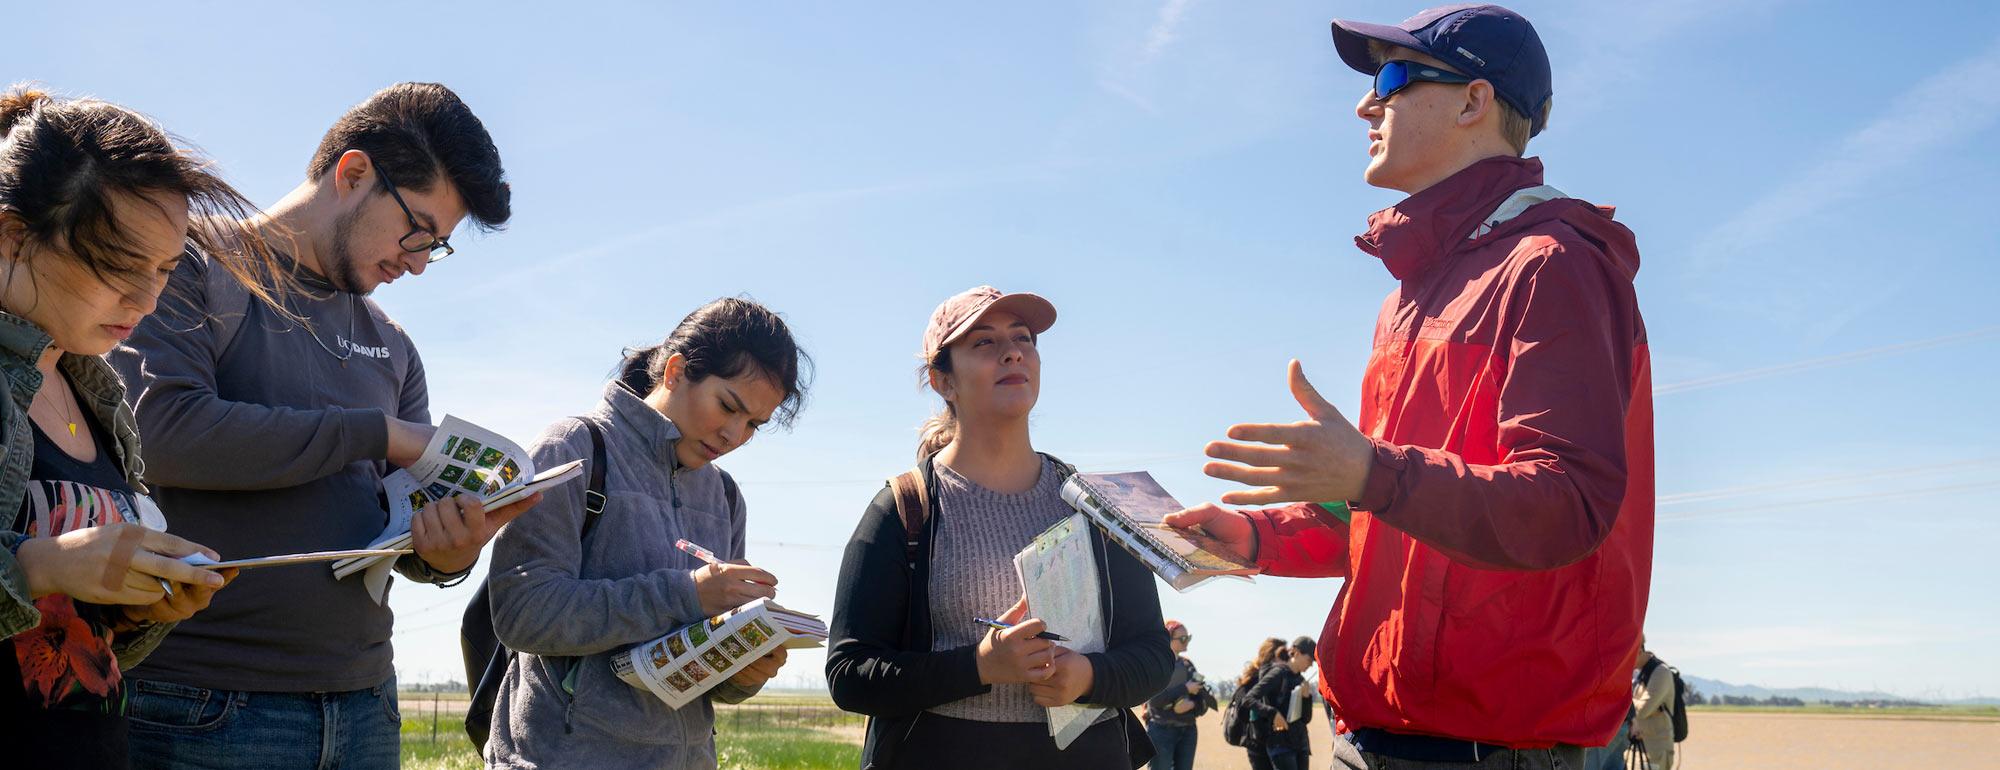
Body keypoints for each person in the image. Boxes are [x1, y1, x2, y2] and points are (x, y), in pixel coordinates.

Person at [1164, 5, 1652, 769]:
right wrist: (1260, 538)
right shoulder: (1410, 294)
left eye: (1392, 77)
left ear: (1472, 102)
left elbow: (1566, 503)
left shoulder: (1554, 263)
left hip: (1495, 750)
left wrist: (1367, 472)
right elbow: (1392, 506)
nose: (1366, 103)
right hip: (1376, 735)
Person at [109, 83, 535, 769]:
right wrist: (379, 433)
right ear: (354, 173)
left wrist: (447, 554)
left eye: (439, 247)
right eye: (419, 231)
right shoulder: (189, 267)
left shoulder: (393, 344)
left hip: (366, 703)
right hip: (203, 704)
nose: (421, 262)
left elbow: (400, 517)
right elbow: (160, 431)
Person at [0, 86, 287, 768]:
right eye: (120, 265)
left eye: (163, 270)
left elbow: (65, 635)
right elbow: (39, 570)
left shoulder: (96, 393)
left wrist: (134, 607)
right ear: (12, 236)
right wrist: (39, 564)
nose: (147, 299)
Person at [826, 286, 1171, 769]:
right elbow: (850, 672)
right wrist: (980, 666)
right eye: (984, 342)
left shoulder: (1099, 508)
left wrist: (1089, 676)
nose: (1013, 351)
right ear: (942, 381)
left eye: (1024, 338)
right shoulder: (904, 508)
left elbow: (1154, 655)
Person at [484, 298, 810, 769]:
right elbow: (522, 614)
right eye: (728, 407)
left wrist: (744, 669)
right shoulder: (574, 450)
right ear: (676, 371)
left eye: (754, 425)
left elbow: (697, 671)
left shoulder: (725, 495)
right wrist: (685, 594)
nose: (734, 436)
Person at [1142, 619, 1214, 770]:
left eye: (1188, 637)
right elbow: (1154, 701)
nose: (1186, 641)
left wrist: (1193, 705)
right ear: (1168, 639)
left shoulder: (1188, 665)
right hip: (1161, 731)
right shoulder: (1156, 665)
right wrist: (1185, 689)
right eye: (1182, 638)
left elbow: (1204, 699)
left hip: (1188, 731)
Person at [1241, 637, 1316, 770]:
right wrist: (1273, 713)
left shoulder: (1302, 680)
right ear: (1296, 653)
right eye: (1309, 660)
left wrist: (1306, 698)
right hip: (1281, 746)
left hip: (1301, 745)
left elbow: (1306, 718)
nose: (1311, 665)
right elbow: (1249, 699)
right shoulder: (1278, 673)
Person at [1232, 638, 1288, 770]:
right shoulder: (1254, 680)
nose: (1287, 658)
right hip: (1257, 743)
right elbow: (1242, 711)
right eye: (1283, 654)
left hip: (1275, 741)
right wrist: (1268, 712)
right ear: (1272, 656)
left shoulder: (1282, 677)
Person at [1630, 641, 1677, 769]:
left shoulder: (1661, 672)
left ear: (1639, 651)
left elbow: (1643, 710)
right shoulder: (1639, 672)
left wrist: (1624, 703)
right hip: (1640, 746)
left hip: (1656, 750)